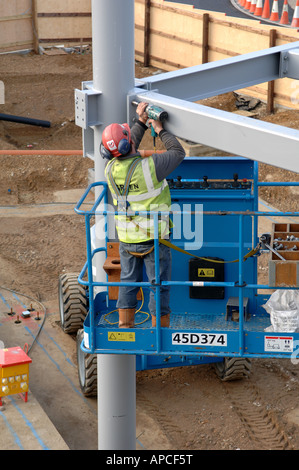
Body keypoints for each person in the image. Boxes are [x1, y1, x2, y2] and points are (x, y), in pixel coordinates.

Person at [100, 102, 185, 328]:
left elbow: (127, 148)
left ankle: (124, 323)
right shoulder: (151, 167)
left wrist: (140, 122)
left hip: (127, 239)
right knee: (158, 284)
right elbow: (178, 153)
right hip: (154, 239)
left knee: (128, 282)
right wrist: (158, 128)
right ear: (129, 142)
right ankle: (160, 328)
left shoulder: (109, 169)